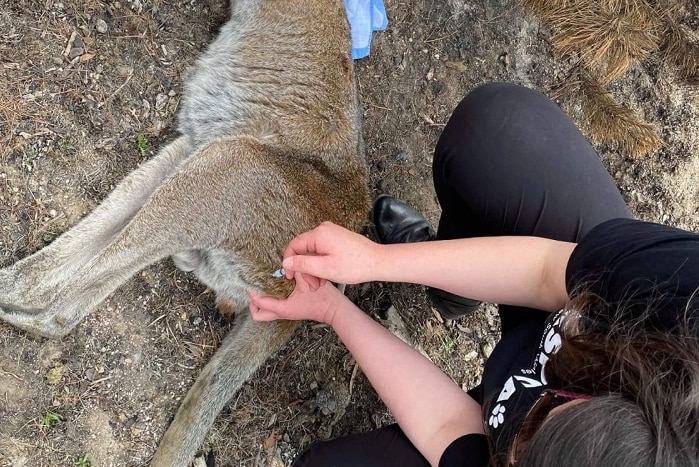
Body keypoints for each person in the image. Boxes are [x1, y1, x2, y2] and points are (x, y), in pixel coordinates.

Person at [248, 83, 699, 466]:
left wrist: (332, 308)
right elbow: (545, 271)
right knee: (498, 133)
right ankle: (452, 292)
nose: (529, 414)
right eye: (548, 411)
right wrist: (373, 261)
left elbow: (451, 427)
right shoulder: (682, 293)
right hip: (596, 309)